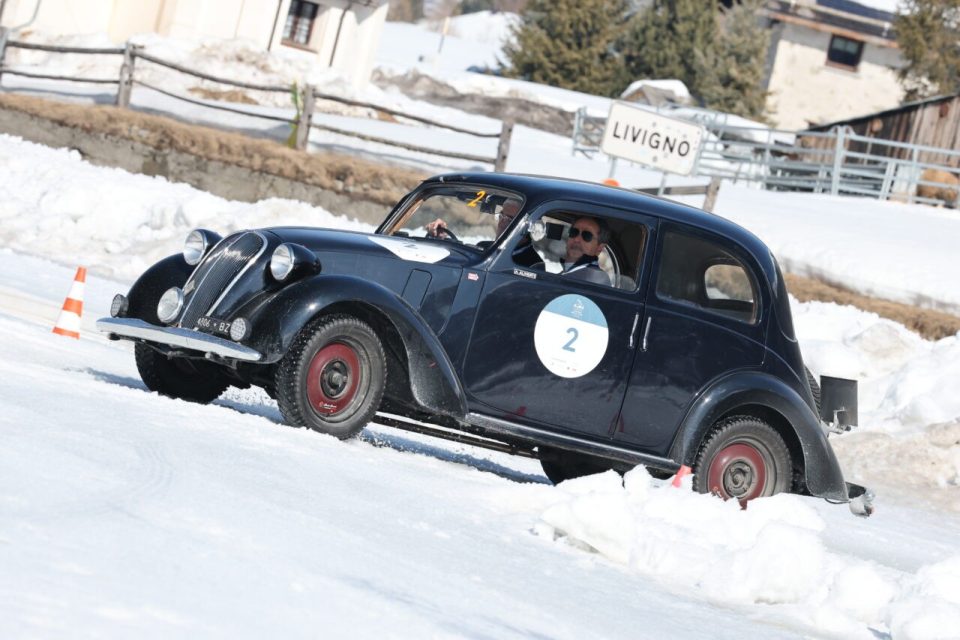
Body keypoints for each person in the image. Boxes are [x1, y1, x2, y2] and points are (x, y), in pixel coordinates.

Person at [561, 216, 611, 286]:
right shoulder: (569, 272)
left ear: (599, 248)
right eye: (574, 232)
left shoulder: (596, 279)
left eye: (587, 236)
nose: (576, 239)